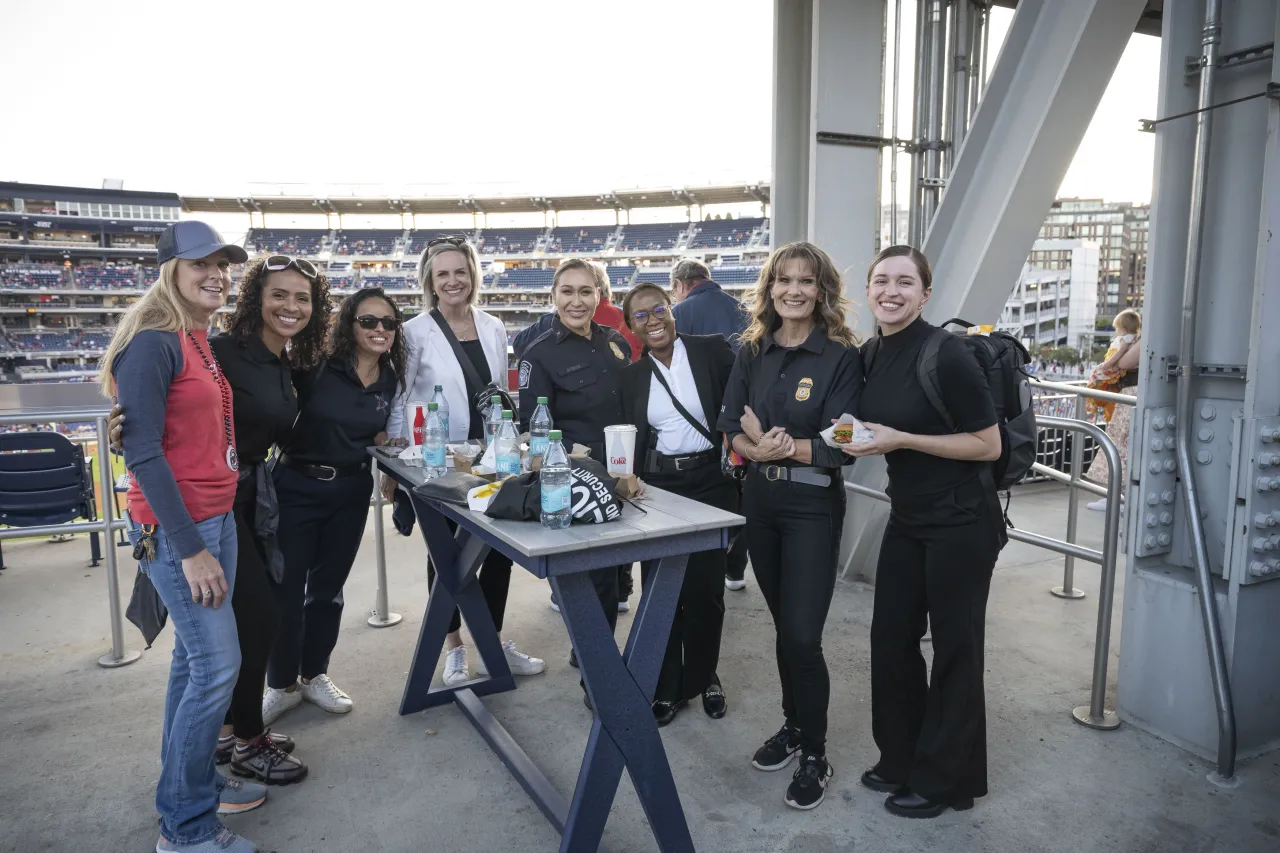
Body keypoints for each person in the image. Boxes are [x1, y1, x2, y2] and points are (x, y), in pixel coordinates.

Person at [113, 255, 325, 785]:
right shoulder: (221, 349)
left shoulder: (286, 365)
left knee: (241, 628)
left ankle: (229, 735)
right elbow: (163, 402)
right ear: (256, 298)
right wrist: (127, 430)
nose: (290, 306)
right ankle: (241, 741)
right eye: (279, 294)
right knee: (251, 623)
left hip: (252, 497)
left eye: (302, 297)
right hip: (210, 506)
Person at [104, 221, 264, 853]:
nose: (216, 275)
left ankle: (188, 781)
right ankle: (187, 823)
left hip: (214, 516)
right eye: (202, 264)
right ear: (170, 269)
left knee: (192, 663)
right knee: (217, 667)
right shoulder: (152, 343)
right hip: (182, 529)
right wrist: (191, 549)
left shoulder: (194, 335)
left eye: (224, 266)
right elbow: (141, 451)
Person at [844, 245, 1004, 819]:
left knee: (956, 650)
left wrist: (902, 441)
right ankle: (901, 756)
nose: (891, 291)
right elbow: (874, 422)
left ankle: (944, 782)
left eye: (905, 282)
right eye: (881, 281)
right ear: (868, 290)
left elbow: (988, 445)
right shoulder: (870, 353)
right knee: (890, 639)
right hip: (909, 514)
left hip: (962, 518)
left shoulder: (949, 353)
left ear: (925, 293)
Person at [717, 241, 862, 811]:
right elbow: (730, 424)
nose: (794, 290)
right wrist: (755, 448)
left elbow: (846, 441)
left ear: (822, 290)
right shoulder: (752, 351)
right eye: (784, 280)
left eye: (806, 281)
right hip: (761, 506)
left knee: (803, 635)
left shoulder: (841, 357)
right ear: (769, 289)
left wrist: (787, 447)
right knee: (784, 630)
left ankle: (816, 753)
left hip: (812, 508)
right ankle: (793, 726)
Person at [387, 236, 543, 684]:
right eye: (443, 274)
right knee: (446, 553)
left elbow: (501, 390)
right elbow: (400, 397)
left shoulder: (494, 326)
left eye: (461, 272)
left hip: (491, 458)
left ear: (473, 275)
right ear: (430, 282)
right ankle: (452, 645)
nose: (453, 281)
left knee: (497, 552)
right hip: (437, 461)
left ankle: (492, 638)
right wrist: (395, 464)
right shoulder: (415, 332)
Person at [262, 287, 406, 724]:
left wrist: (386, 449)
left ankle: (314, 674)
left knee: (327, 593)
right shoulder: (316, 365)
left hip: (348, 492)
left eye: (388, 323)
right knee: (285, 594)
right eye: (368, 321)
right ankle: (280, 684)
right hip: (295, 486)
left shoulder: (390, 379)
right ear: (350, 324)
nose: (379, 330)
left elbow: (378, 433)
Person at [620, 282, 737, 727]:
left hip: (711, 481)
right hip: (662, 486)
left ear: (673, 311)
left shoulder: (712, 351)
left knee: (706, 591)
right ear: (631, 326)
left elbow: (740, 401)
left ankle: (706, 676)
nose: (653, 321)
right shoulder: (631, 376)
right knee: (660, 589)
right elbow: (629, 438)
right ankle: (667, 685)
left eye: (658, 310)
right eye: (641, 316)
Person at [517, 258, 633, 706]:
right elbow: (536, 431)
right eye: (567, 291)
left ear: (599, 297)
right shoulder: (539, 355)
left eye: (586, 292)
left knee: (614, 573)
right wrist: (593, 471)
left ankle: (588, 650)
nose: (576, 301)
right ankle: (598, 680)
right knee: (597, 579)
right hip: (580, 478)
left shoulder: (616, 342)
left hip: (626, 473)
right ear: (554, 296)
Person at [669, 259, 753, 592]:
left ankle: (700, 565)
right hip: (744, 416)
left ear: (679, 284)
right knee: (738, 489)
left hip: (700, 419)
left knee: (702, 492)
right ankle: (735, 569)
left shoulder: (681, 313)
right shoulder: (744, 309)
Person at [1085, 312, 1141, 511]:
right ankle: (1119, 495)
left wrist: (1105, 366)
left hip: (1129, 397)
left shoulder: (1138, 340)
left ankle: (1118, 495)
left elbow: (1123, 363)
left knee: (1119, 443)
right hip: (1132, 396)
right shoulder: (1139, 338)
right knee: (1124, 444)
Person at [670, 257, 749, 349]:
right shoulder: (742, 308)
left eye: (673, 292)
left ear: (679, 285)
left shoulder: (679, 312)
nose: (675, 298)